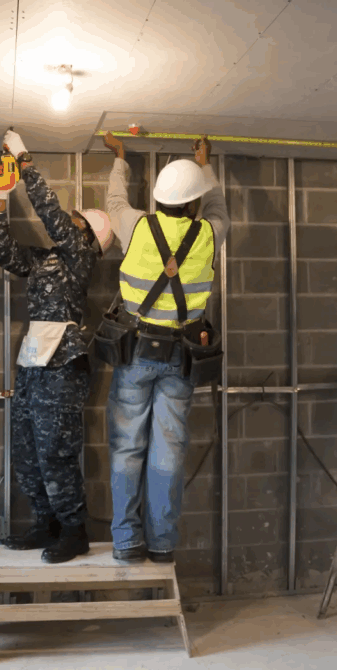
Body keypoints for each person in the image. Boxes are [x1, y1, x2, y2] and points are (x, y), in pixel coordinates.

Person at [0, 129, 113, 563]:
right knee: (27, 450)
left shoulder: (81, 258)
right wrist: (0, 198)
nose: (68, 222)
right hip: (34, 362)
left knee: (56, 450)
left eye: (77, 221)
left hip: (62, 364)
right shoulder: (46, 259)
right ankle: (47, 524)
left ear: (88, 236)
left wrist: (25, 160)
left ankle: (74, 531)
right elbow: (0, 248)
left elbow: (51, 216)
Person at [100, 131, 229, 563]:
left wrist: (121, 159)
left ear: (157, 199)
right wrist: (205, 163)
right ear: (193, 204)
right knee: (168, 450)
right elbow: (218, 207)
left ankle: (126, 542)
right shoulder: (208, 233)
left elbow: (115, 201)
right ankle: (161, 544)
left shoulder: (136, 225)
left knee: (126, 448)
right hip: (181, 354)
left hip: (136, 351)